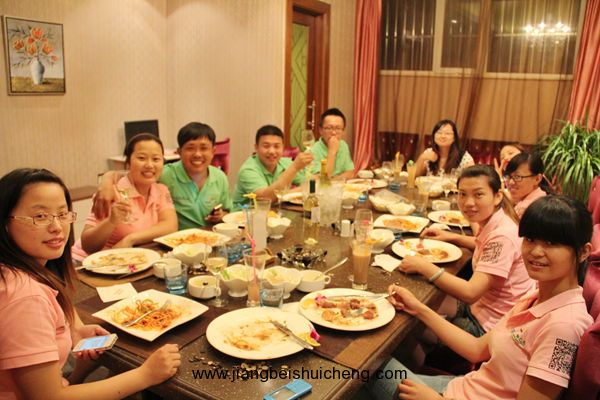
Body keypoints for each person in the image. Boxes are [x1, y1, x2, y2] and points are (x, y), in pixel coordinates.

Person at [369, 195, 594, 399]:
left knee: (362, 371)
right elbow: (476, 349)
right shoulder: (535, 297)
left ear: (584, 252)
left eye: (551, 243)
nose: (535, 251)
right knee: (370, 367)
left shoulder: (564, 326)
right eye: (530, 239)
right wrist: (418, 308)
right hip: (463, 386)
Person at [0, 168, 180, 399]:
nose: (57, 227)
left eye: (62, 214)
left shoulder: (28, 271)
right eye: (41, 216)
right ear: (5, 222)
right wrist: (145, 375)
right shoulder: (25, 297)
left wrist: (73, 330)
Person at [401, 165, 534, 337]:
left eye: (478, 194)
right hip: (481, 307)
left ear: (497, 196)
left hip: (489, 327)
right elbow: (486, 246)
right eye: (463, 194)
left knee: (412, 328)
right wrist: (452, 237)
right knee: (413, 303)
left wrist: (423, 266)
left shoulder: (503, 236)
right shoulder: (497, 221)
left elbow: (470, 292)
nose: (468, 202)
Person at [94, 122, 232, 229]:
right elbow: (129, 175)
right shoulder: (166, 174)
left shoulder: (220, 177)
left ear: (213, 151)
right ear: (179, 152)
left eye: (204, 148)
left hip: (212, 238)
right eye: (190, 148)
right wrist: (106, 181)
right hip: (178, 242)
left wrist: (222, 215)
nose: (197, 154)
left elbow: (228, 211)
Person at [72, 134, 177, 260]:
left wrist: (130, 239)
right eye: (142, 158)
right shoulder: (112, 192)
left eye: (156, 159)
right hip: (93, 262)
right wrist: (111, 222)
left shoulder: (161, 190)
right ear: (128, 163)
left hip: (130, 259)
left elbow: (170, 225)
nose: (150, 165)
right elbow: (88, 245)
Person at [232, 125, 313, 209]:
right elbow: (265, 199)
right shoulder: (248, 170)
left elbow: (308, 184)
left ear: (283, 147)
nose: (271, 151)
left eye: (276, 146)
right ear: (256, 147)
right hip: (245, 215)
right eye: (266, 146)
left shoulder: (285, 163)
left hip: (276, 212)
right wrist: (294, 167)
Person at [308, 108, 355, 179]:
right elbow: (322, 179)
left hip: (338, 184)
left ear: (343, 131)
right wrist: (332, 151)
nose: (333, 132)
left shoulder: (343, 145)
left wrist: (335, 180)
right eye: (329, 128)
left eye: (338, 128)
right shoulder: (312, 151)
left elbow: (350, 173)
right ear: (320, 130)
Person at [504, 152, 552, 218]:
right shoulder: (542, 195)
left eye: (517, 177)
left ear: (537, 179)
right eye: (508, 176)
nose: (511, 182)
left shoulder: (525, 209)